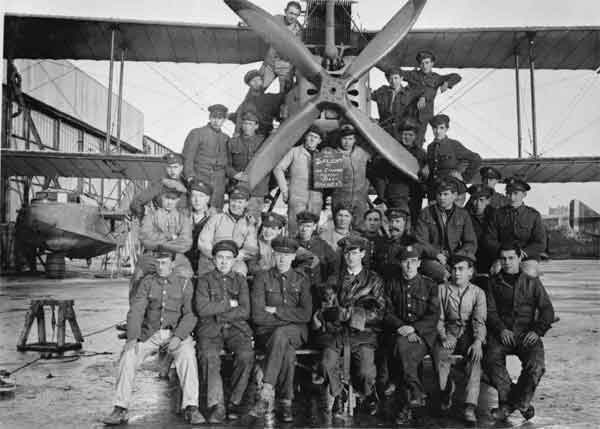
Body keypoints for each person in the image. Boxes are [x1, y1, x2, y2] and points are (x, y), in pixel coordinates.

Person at [102, 252, 203, 425]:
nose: (160, 267)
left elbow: (190, 315)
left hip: (176, 333)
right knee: (128, 357)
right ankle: (120, 408)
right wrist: (132, 337)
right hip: (150, 333)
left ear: (172, 264)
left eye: (164, 263)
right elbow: (136, 311)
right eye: (158, 263)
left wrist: (178, 337)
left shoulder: (185, 283)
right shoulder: (147, 282)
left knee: (188, 357)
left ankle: (191, 407)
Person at [313, 235, 385, 417]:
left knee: (366, 372)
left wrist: (347, 314)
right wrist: (348, 313)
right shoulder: (333, 280)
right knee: (327, 363)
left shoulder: (373, 280)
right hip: (336, 334)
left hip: (364, 335)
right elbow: (327, 310)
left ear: (362, 254)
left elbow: (378, 313)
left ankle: (369, 394)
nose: (349, 257)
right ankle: (339, 394)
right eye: (346, 253)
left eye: (354, 253)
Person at [483, 242, 555, 422]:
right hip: (502, 334)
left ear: (520, 258)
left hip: (527, 334)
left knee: (536, 366)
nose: (507, 262)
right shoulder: (492, 283)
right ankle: (520, 403)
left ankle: (512, 404)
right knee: (491, 361)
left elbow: (547, 310)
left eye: (511, 258)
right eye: (503, 258)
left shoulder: (532, 282)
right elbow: (490, 311)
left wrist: (537, 331)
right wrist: (500, 330)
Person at [251, 236, 312, 423]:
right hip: (268, 333)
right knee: (286, 350)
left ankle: (267, 391)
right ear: (273, 255)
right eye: (278, 255)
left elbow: (306, 315)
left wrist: (276, 311)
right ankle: (285, 402)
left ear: (293, 257)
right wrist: (287, 319)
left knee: (282, 335)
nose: (282, 259)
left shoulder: (302, 280)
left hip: (297, 332)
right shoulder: (262, 277)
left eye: (287, 255)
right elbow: (258, 316)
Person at [195, 240, 254, 423]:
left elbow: (245, 310)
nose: (223, 262)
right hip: (210, 330)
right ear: (213, 259)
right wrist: (230, 304)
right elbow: (202, 309)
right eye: (220, 257)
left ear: (235, 260)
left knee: (246, 355)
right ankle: (217, 405)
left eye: (228, 258)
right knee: (208, 356)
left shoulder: (240, 280)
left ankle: (234, 402)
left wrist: (219, 314)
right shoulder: (204, 280)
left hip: (237, 329)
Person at [384, 245, 439, 424]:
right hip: (399, 333)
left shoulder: (430, 285)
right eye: (406, 261)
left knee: (402, 351)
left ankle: (410, 399)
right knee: (403, 350)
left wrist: (414, 329)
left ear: (419, 263)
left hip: (422, 336)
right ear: (400, 263)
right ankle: (413, 396)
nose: (409, 265)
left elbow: (433, 315)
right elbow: (386, 311)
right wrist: (401, 326)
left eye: (413, 261)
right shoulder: (391, 283)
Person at [433, 253, 486, 425]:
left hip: (469, 333)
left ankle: (470, 406)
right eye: (454, 269)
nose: (457, 273)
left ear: (470, 272)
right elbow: (438, 318)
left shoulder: (478, 293)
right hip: (449, 330)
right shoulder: (442, 289)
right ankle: (445, 391)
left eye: (461, 269)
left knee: (475, 359)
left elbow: (479, 321)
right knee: (441, 356)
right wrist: (442, 336)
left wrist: (478, 341)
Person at [134, 182, 194, 300]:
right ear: (162, 197)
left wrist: (158, 241)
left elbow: (186, 244)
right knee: (138, 275)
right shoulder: (151, 216)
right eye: (167, 197)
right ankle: (137, 310)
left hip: (176, 258)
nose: (169, 202)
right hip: (152, 256)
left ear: (178, 200)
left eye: (173, 199)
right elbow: (144, 238)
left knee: (187, 274)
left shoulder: (183, 219)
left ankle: (184, 310)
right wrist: (170, 237)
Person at [414, 177, 477, 282]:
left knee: (469, 274)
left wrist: (459, 258)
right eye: (439, 194)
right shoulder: (426, 213)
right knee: (445, 275)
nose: (441, 198)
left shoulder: (463, 214)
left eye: (445, 194)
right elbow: (421, 240)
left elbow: (470, 242)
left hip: (457, 258)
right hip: (432, 259)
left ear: (454, 195)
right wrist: (436, 254)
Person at [483, 177, 546, 276]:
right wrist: (504, 252)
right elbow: (489, 239)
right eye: (508, 193)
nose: (511, 197)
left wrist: (524, 252)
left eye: (515, 193)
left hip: (526, 257)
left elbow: (540, 243)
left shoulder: (533, 215)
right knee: (496, 270)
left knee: (529, 272)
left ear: (524, 195)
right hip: (504, 257)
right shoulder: (497, 215)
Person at [371, 118, 427, 225]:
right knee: (399, 222)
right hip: (396, 194)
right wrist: (382, 195)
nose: (407, 137)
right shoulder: (392, 151)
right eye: (405, 134)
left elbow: (425, 175)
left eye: (410, 135)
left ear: (415, 136)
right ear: (401, 134)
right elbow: (378, 172)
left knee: (414, 222)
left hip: (415, 195)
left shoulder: (421, 154)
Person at [400, 51, 462, 146]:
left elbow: (456, 76)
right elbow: (396, 72)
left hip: (424, 117)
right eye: (422, 63)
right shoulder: (413, 75)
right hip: (409, 114)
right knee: (403, 140)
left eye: (427, 63)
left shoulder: (436, 78)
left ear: (432, 63)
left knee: (418, 142)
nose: (424, 66)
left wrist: (447, 83)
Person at [196, 184, 258, 276]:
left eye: (240, 202)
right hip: (211, 259)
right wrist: (217, 257)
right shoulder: (216, 218)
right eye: (233, 201)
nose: (236, 205)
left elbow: (251, 248)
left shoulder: (249, 224)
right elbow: (203, 242)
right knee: (209, 275)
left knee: (240, 271)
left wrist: (234, 257)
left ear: (246, 203)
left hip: (234, 260)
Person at [274, 125, 324, 235]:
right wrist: (284, 190)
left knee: (312, 231)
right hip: (297, 198)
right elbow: (278, 168)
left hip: (315, 199)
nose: (312, 139)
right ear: (305, 137)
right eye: (310, 136)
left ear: (319, 141)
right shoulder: (294, 152)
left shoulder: (323, 156)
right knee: (295, 229)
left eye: (315, 137)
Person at [182, 104, 230, 211]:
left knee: (215, 212)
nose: (216, 121)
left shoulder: (226, 138)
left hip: (218, 183)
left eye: (220, 118)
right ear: (209, 117)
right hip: (200, 179)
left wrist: (225, 181)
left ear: (224, 120)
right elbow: (188, 157)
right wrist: (190, 177)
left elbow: (227, 163)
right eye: (214, 117)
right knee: (197, 211)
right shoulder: (197, 133)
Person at [422, 114, 482, 197]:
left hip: (453, 191)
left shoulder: (454, 145)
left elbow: (476, 159)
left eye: (441, 128)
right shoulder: (430, 147)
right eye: (435, 128)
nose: (438, 131)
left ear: (447, 129)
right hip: (435, 191)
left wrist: (464, 178)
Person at [226, 110, 269, 222]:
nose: (247, 127)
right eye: (245, 123)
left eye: (250, 124)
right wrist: (235, 175)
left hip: (257, 190)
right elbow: (225, 165)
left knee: (251, 222)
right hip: (238, 189)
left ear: (256, 126)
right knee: (234, 220)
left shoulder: (265, 142)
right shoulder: (232, 142)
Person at [331, 124, 372, 228]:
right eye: (344, 138)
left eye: (350, 139)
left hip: (359, 199)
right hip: (341, 199)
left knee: (359, 228)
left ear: (355, 140)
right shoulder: (332, 155)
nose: (347, 142)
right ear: (340, 139)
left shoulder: (362, 152)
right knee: (341, 227)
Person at [259, 1, 303, 92]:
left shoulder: (299, 31)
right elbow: (262, 25)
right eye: (291, 13)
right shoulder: (276, 19)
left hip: (285, 68)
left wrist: (290, 72)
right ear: (285, 11)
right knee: (257, 89)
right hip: (269, 64)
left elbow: (297, 53)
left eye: (296, 14)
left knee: (285, 96)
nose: (293, 17)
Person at [129, 152, 188, 219]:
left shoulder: (189, 185)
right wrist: (143, 217)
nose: (172, 171)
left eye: (175, 167)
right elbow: (135, 203)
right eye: (169, 167)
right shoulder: (159, 184)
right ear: (165, 168)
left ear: (181, 167)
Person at [370, 68, 422, 138]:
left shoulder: (409, 94)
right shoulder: (381, 92)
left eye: (396, 78)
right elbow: (366, 96)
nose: (393, 81)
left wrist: (423, 98)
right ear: (387, 79)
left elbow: (422, 88)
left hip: (401, 131)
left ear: (401, 78)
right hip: (383, 129)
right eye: (390, 78)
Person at [234, 71, 284, 136]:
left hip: (269, 135)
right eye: (253, 81)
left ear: (262, 81)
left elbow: (284, 97)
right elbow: (238, 122)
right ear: (249, 85)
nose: (256, 83)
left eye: (259, 79)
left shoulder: (270, 98)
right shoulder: (246, 104)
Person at [295, 210, 337, 286]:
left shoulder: (322, 245)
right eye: (301, 225)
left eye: (308, 226)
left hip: (317, 288)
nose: (304, 229)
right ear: (297, 225)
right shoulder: (292, 244)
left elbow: (334, 265)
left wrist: (328, 284)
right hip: (297, 288)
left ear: (314, 227)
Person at [372, 206, 414, 277]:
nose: (393, 225)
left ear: (405, 223)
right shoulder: (381, 242)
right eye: (391, 221)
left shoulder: (412, 243)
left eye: (397, 221)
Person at [466, 184, 495, 275]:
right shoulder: (463, 215)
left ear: (488, 201)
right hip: (471, 255)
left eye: (481, 200)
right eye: (475, 199)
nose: (478, 204)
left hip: (491, 254)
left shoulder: (496, 215)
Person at [184, 179, 212, 274]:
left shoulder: (216, 217)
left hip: (207, 260)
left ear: (208, 198)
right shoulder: (182, 215)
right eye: (194, 195)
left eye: (201, 196)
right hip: (185, 258)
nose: (197, 200)